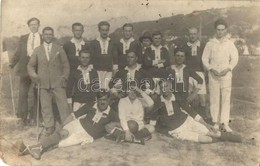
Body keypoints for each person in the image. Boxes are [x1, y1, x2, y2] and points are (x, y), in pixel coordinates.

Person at [16, 90, 119, 160]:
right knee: (63, 134)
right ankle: (38, 149)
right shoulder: (91, 105)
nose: (102, 102)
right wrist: (61, 125)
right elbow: (73, 115)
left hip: (86, 135)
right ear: (97, 100)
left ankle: (29, 148)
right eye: (100, 100)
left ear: (109, 100)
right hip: (77, 125)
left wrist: (114, 124)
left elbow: (121, 123)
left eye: (104, 100)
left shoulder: (112, 114)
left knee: (60, 144)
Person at [150, 79, 244, 143]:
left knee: (211, 132)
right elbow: (153, 120)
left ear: (170, 86)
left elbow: (191, 112)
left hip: (187, 121)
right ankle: (222, 139)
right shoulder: (158, 101)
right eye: (162, 87)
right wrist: (153, 132)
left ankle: (231, 137)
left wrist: (206, 124)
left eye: (166, 86)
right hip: (177, 130)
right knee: (206, 139)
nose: (164, 89)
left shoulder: (177, 97)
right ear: (160, 89)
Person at [27, 27, 71, 136]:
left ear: (53, 35)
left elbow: (66, 65)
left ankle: (68, 126)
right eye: (46, 34)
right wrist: (34, 76)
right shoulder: (37, 50)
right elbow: (30, 66)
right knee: (46, 107)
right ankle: (49, 128)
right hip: (43, 83)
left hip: (58, 83)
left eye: (50, 34)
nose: (48, 36)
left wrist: (64, 78)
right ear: (43, 35)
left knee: (63, 105)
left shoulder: (59, 49)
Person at [202, 19, 239, 132]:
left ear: (226, 30)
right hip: (213, 75)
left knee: (225, 99)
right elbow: (204, 58)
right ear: (215, 30)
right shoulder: (210, 43)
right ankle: (215, 122)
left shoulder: (230, 43)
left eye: (222, 30)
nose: (220, 32)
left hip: (226, 75)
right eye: (218, 30)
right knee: (214, 98)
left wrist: (228, 68)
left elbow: (235, 58)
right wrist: (210, 69)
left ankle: (224, 123)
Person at [9, 17, 42, 126]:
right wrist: (11, 64)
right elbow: (18, 53)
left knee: (37, 93)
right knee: (23, 93)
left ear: (38, 25)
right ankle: (22, 118)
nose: (34, 26)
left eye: (36, 24)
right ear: (29, 26)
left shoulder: (42, 38)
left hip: (38, 68)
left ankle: (36, 117)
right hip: (25, 68)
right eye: (31, 24)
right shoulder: (23, 38)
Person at [182, 27, 208, 119]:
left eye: (194, 34)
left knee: (202, 98)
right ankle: (192, 117)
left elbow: (206, 60)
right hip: (189, 74)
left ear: (197, 34)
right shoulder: (185, 46)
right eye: (190, 34)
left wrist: (205, 73)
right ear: (188, 35)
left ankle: (204, 118)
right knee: (190, 98)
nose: (192, 36)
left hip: (200, 73)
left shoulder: (202, 45)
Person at [89, 21, 118, 90]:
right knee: (97, 89)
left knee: (106, 88)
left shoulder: (112, 42)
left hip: (108, 71)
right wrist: (92, 71)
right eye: (102, 30)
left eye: (106, 30)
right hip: (97, 71)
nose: (104, 32)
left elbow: (115, 57)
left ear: (108, 30)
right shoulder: (94, 43)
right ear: (99, 30)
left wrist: (114, 70)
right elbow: (91, 58)